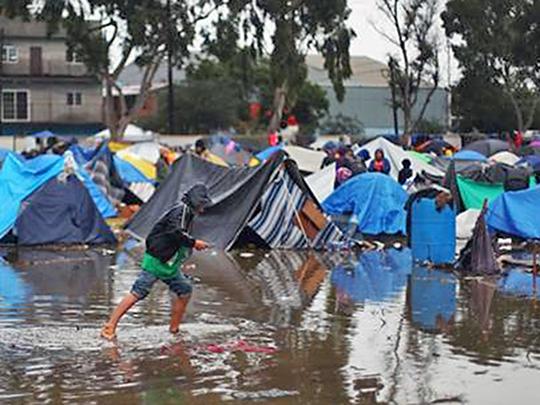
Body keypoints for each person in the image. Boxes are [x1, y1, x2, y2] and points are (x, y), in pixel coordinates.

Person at [100, 184, 212, 340]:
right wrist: (194, 243)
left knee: (185, 290)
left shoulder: (187, 213)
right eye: (201, 205)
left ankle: (174, 329)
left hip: (169, 263)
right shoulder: (180, 211)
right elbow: (176, 233)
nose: (203, 209)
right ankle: (110, 326)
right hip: (157, 260)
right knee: (138, 292)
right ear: (195, 202)